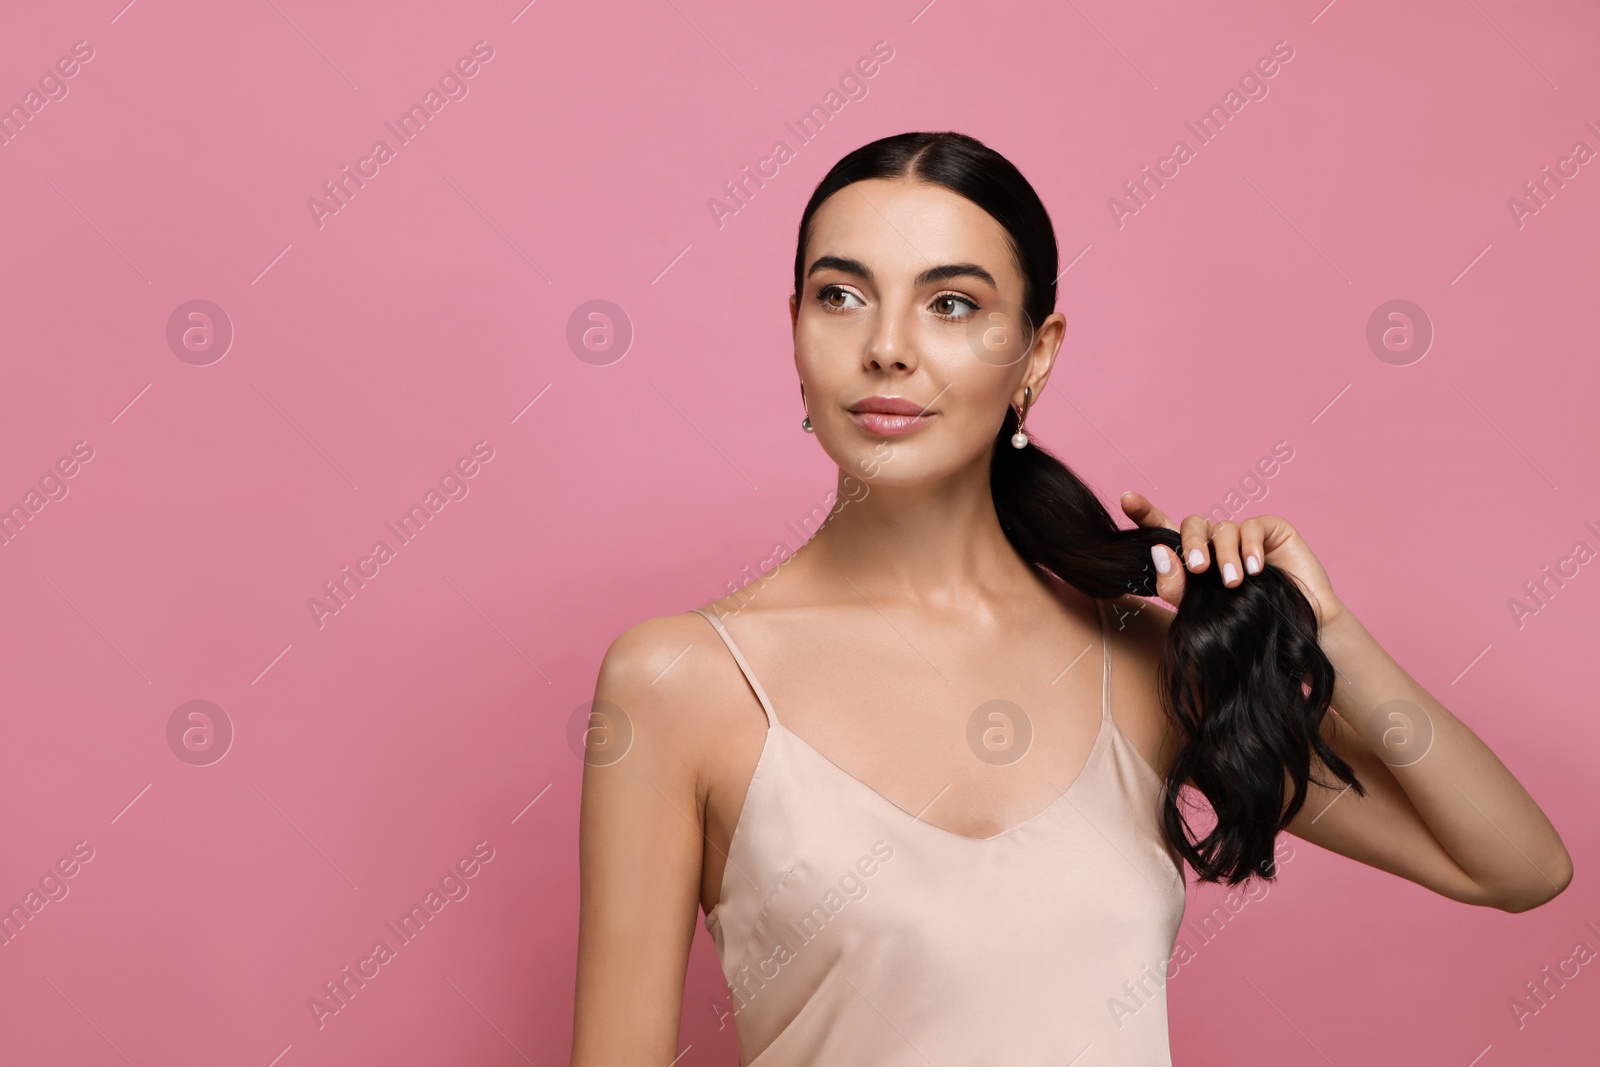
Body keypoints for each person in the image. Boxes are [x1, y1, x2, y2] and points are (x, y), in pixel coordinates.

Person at [569, 131, 1571, 1066]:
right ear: (794, 331)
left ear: (1034, 353)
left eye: (950, 303)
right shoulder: (681, 680)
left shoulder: (1138, 657)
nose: (886, 346)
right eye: (840, 295)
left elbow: (1514, 865)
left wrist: (1333, 635)